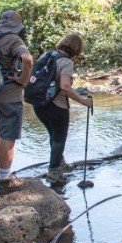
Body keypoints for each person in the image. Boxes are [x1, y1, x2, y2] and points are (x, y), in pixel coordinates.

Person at [31, 33, 94, 184]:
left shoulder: (46, 55)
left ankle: (60, 164)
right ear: (77, 49)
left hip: (38, 103)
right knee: (59, 137)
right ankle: (54, 173)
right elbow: (65, 86)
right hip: (56, 105)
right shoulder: (66, 62)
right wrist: (83, 101)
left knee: (53, 135)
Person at [0, 10, 34, 194]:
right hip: (8, 95)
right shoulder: (13, 39)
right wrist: (23, 80)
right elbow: (27, 59)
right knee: (8, 135)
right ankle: (4, 180)